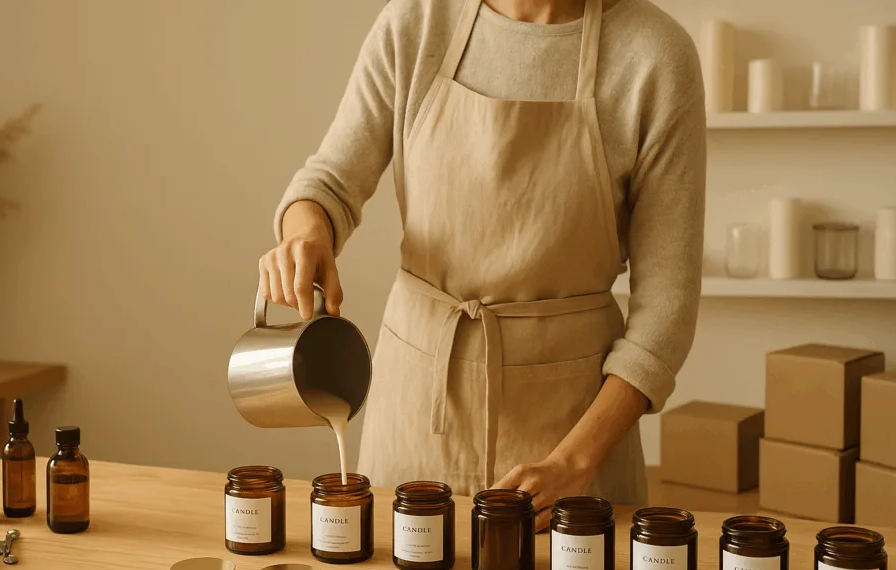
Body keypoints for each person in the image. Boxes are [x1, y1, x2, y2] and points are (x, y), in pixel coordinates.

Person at [260, 0, 705, 529]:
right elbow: (330, 182)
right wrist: (307, 233)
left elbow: (666, 314)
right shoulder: (417, 23)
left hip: (573, 439)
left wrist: (574, 461)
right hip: (416, 415)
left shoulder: (654, 56)